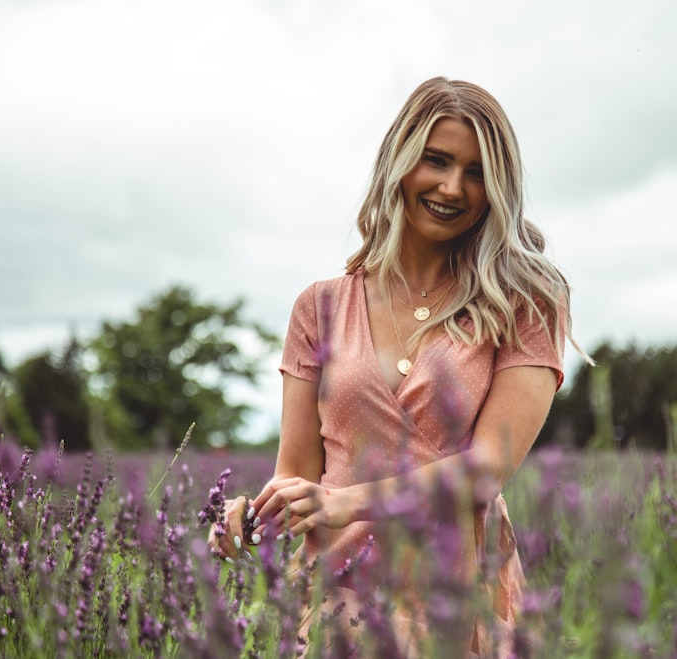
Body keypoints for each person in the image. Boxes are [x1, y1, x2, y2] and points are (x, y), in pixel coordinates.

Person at [208, 76, 587, 657]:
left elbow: (486, 470)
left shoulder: (526, 303)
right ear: (399, 163)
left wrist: (343, 502)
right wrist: (251, 518)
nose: (452, 187)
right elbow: (298, 472)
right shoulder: (320, 306)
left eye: (477, 172)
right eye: (435, 161)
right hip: (338, 598)